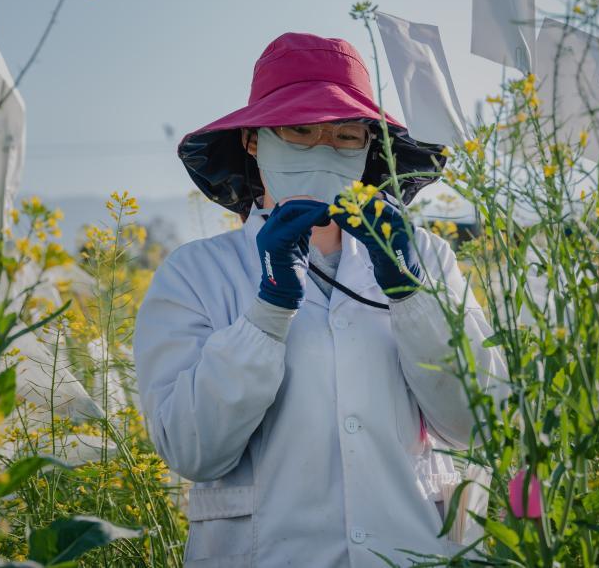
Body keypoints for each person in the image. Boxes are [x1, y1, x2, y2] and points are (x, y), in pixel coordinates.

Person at [133, 32, 509, 567]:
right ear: (253, 141)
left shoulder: (422, 256)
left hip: (411, 550)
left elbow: (477, 423)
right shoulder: (196, 273)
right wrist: (266, 313)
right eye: (299, 130)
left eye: (345, 134)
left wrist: (411, 296)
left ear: (368, 146)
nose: (322, 148)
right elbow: (193, 451)